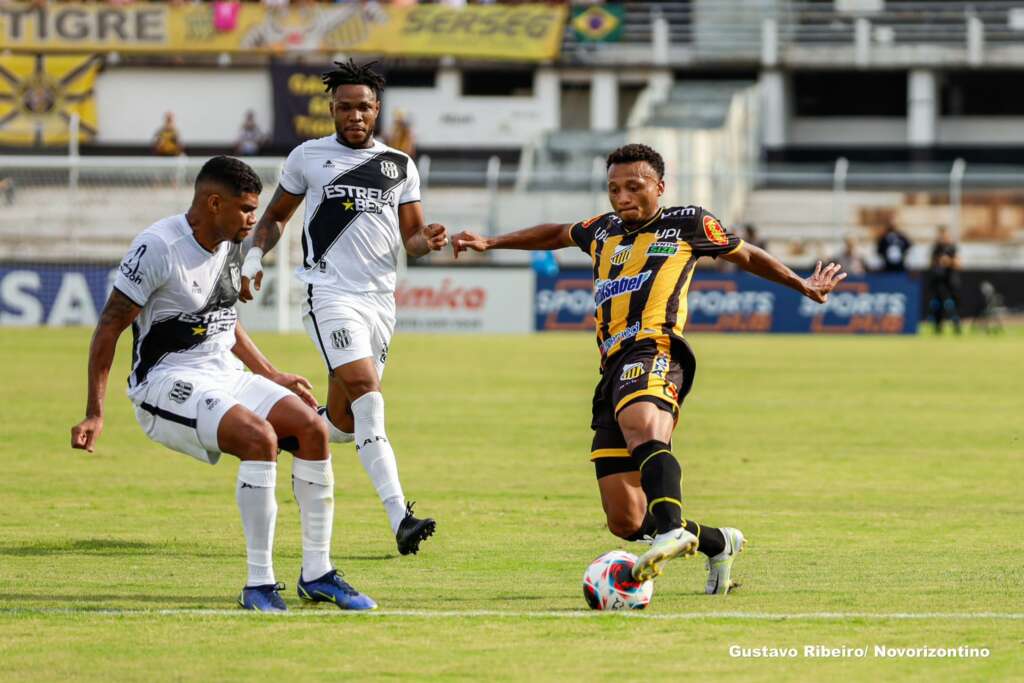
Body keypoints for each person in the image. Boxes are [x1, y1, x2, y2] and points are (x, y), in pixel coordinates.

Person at [451, 144, 846, 593]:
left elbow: (747, 254)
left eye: (634, 187)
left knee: (643, 427)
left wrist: (801, 284)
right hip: (610, 365)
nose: (622, 197)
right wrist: (491, 241)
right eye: (614, 188)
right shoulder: (601, 230)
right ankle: (715, 542)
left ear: (660, 186)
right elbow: (555, 234)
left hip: (656, 348)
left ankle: (674, 527)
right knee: (627, 520)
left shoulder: (688, 223)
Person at [70, 156, 376, 613]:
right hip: (165, 381)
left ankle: (318, 572)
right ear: (214, 203)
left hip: (225, 374)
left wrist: (270, 373)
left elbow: (225, 320)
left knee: (312, 429)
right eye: (247, 209)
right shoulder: (159, 246)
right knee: (259, 439)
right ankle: (259, 584)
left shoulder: (233, 243)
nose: (254, 218)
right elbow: (110, 326)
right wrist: (96, 410)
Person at [239, 59, 446, 555]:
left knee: (345, 424)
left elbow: (411, 240)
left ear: (377, 111)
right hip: (328, 293)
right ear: (331, 109)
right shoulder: (309, 156)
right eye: (345, 107)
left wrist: (428, 240)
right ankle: (401, 516)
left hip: (379, 300)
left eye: (364, 107)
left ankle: (278, 427)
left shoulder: (399, 165)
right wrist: (250, 257)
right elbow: (274, 217)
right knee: (367, 395)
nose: (355, 115)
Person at [927, 226, 962, 334]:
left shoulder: (952, 248)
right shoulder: (936, 248)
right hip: (938, 281)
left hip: (950, 281)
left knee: (950, 304)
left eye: (944, 235)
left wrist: (949, 261)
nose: (942, 238)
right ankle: (938, 327)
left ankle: (956, 326)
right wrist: (937, 262)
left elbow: (959, 264)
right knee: (936, 304)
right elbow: (931, 263)